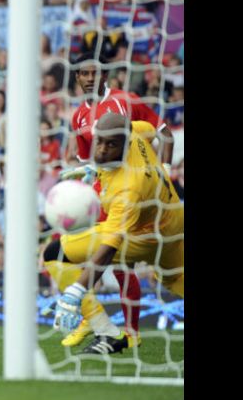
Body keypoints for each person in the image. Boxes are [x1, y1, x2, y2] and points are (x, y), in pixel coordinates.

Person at [57, 52, 176, 349]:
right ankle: (91, 319)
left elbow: (165, 134)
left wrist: (165, 174)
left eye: (93, 73)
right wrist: (84, 180)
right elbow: (92, 164)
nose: (88, 79)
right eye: (82, 74)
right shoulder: (78, 117)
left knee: (123, 264)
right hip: (101, 195)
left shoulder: (125, 100)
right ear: (76, 78)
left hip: (133, 193)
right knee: (78, 254)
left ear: (104, 76)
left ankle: (132, 331)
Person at [46, 114, 183, 355]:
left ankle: (103, 327)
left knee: (54, 253)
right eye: (99, 141)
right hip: (173, 220)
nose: (101, 150)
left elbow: (108, 249)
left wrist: (76, 291)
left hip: (143, 238)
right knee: (175, 280)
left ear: (126, 142)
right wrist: (97, 170)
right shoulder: (137, 131)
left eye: (111, 145)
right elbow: (157, 131)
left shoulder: (129, 188)